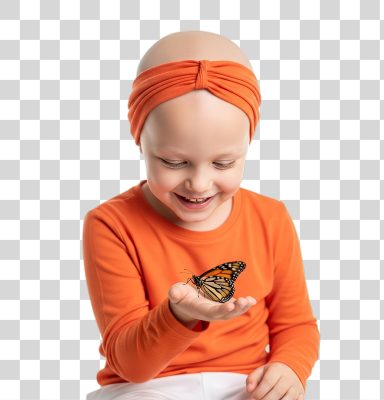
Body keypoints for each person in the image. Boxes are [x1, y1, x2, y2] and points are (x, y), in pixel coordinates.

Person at [82, 30, 320, 400]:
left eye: (223, 163)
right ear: (140, 141)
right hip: (145, 387)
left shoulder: (271, 219)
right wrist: (177, 315)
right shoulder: (111, 225)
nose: (199, 183)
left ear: (246, 145)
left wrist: (289, 368)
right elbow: (131, 364)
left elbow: (296, 325)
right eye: (174, 162)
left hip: (245, 383)